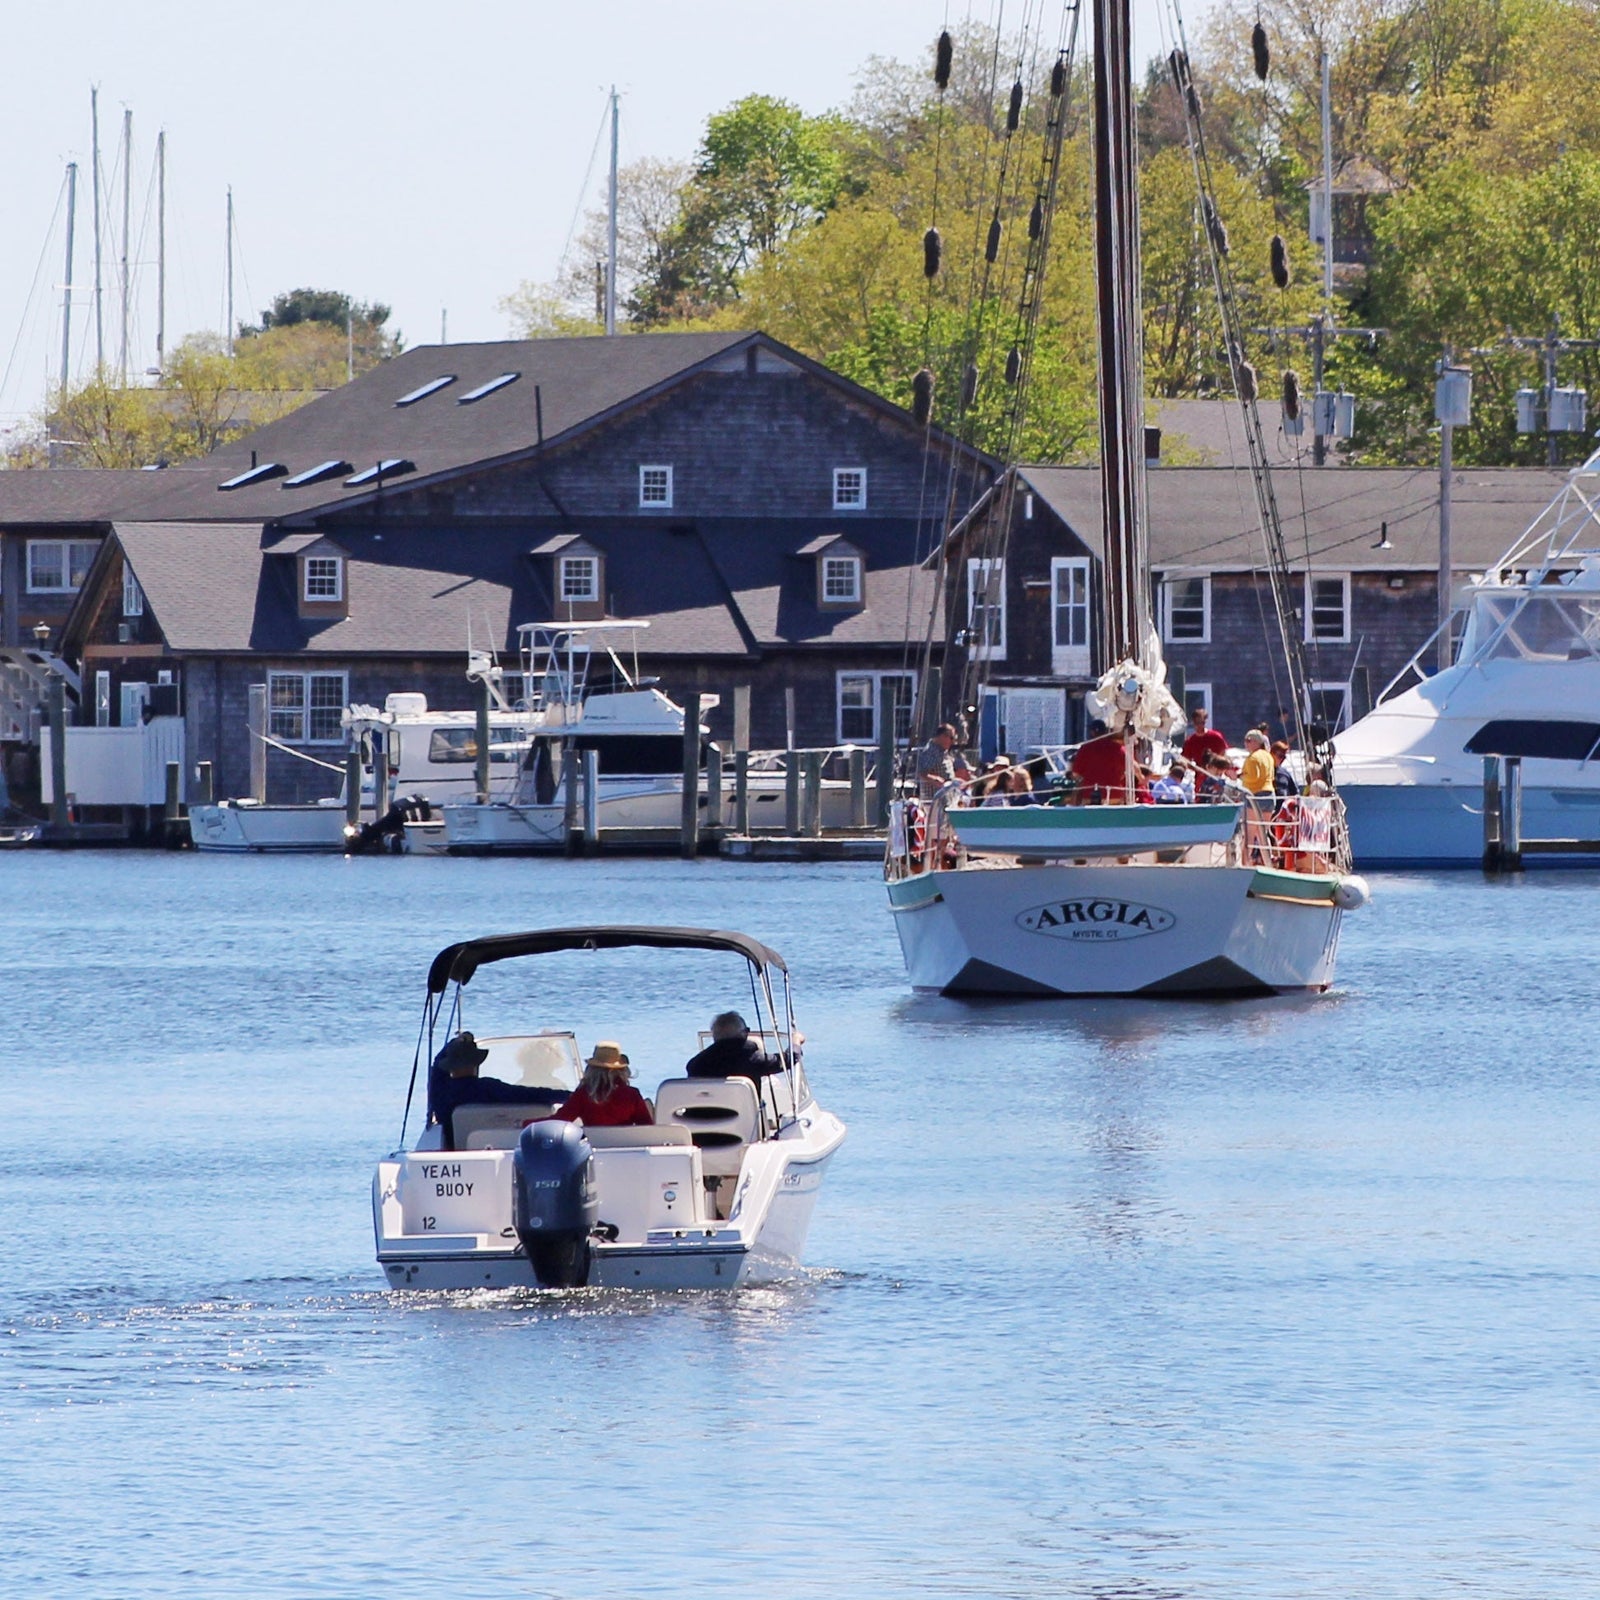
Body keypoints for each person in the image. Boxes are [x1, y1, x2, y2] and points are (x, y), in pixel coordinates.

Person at [427, 1031, 561, 1146]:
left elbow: (436, 1066)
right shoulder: (488, 1088)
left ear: (449, 1066)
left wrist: (455, 1042)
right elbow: (530, 1095)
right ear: (476, 1064)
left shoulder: (440, 1092)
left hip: (455, 1158)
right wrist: (569, 1096)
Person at [553, 1041, 654, 1128]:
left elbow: (559, 1121)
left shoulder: (584, 1094)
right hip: (624, 1146)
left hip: (594, 1146)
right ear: (621, 1070)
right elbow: (646, 1128)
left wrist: (536, 1122)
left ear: (591, 1069)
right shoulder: (632, 1095)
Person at [686, 1011, 786, 1081]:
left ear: (715, 1036)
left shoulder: (695, 1065)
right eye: (747, 1031)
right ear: (743, 1033)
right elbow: (784, 1061)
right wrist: (796, 1043)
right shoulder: (752, 1059)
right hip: (745, 1111)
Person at [1069, 720, 1132, 802]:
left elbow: (1075, 773)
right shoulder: (1118, 748)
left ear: (1092, 732)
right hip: (1114, 795)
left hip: (1090, 795)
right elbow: (1127, 770)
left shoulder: (1085, 749)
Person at [915, 723, 972, 801]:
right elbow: (922, 773)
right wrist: (939, 781)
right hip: (935, 801)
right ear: (942, 736)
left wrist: (954, 781)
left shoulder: (942, 752)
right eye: (951, 738)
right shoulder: (932, 752)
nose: (953, 742)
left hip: (946, 799)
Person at [1239, 729, 1276, 796]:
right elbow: (1272, 776)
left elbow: (1253, 777)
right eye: (1245, 741)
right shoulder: (1268, 756)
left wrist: (1240, 776)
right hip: (1270, 794)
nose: (1245, 743)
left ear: (1257, 742)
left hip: (1255, 795)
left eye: (1248, 741)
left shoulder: (1253, 757)